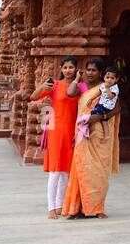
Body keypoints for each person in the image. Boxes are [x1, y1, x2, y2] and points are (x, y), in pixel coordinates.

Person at [62, 58, 121, 219]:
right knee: (82, 169)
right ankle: (76, 208)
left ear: (101, 73)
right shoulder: (82, 87)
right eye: (88, 69)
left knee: (98, 172)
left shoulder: (107, 88)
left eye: (94, 70)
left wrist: (100, 116)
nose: (90, 73)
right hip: (83, 133)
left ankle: (97, 208)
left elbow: (117, 108)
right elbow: (69, 92)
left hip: (100, 134)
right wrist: (76, 78)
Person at [34, 57, 85, 218]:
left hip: (72, 131)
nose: (68, 70)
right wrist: (42, 86)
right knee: (55, 170)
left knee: (66, 171)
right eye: (65, 67)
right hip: (55, 131)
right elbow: (33, 97)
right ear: (61, 69)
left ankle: (60, 204)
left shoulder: (80, 87)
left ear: (76, 69)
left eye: (71, 67)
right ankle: (51, 207)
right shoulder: (55, 85)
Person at [76, 64, 120, 142]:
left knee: (92, 115)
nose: (109, 80)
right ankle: (106, 135)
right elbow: (99, 92)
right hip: (101, 105)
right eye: (107, 77)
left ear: (116, 80)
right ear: (104, 77)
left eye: (112, 78)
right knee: (103, 121)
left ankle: (87, 130)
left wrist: (107, 88)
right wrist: (91, 99)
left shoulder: (114, 88)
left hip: (107, 107)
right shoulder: (103, 85)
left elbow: (110, 97)